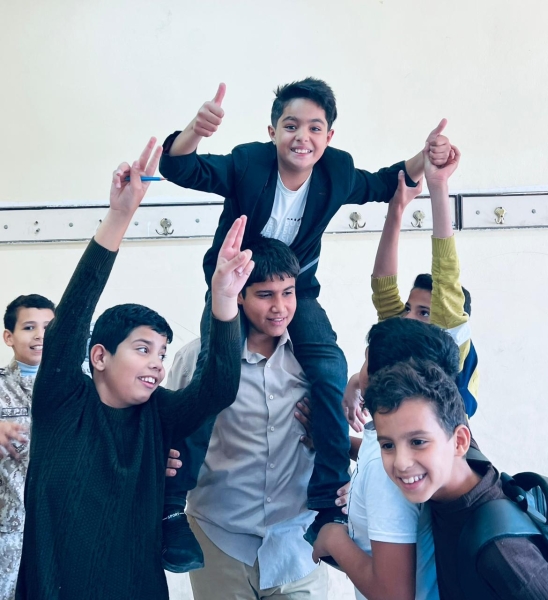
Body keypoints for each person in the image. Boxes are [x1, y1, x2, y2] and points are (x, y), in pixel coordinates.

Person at [159, 77, 452, 567]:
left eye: (315, 128)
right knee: (215, 374)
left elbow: (387, 181)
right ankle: (171, 509)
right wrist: (195, 131)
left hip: (296, 287)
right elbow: (180, 167)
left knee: (330, 369)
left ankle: (326, 506)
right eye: (291, 125)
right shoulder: (249, 163)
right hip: (236, 284)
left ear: (329, 137)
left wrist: (427, 156)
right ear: (272, 131)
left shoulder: (335, 171)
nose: (303, 137)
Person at [15, 138, 252, 600]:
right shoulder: (63, 402)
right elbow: (70, 322)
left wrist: (225, 301)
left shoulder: (159, 414)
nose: (157, 365)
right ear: (100, 357)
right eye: (143, 349)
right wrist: (120, 216)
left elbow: (218, 389)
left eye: (161, 354)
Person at [166, 236, 328, 599]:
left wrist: (326, 436)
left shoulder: (314, 360)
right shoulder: (196, 359)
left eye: (288, 292)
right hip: (219, 540)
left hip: (297, 544)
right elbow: (170, 432)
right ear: (239, 294)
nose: (280, 307)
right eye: (265, 295)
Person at [363, 358, 548, 599]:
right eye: (388, 445)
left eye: (418, 442)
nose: (401, 462)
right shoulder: (459, 464)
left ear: (460, 442)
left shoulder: (501, 555)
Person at [313, 317, 461, 600]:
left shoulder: (393, 477)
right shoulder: (420, 430)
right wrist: (331, 440)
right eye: (388, 446)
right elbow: (373, 452)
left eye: (365, 361)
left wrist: (333, 538)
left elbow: (393, 594)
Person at [344, 144, 478, 434]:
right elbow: (383, 285)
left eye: (424, 312)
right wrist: (397, 207)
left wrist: (438, 185)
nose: (408, 316)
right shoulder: (399, 341)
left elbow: (446, 273)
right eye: (408, 308)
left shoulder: (449, 342)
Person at [0, 294, 55, 600]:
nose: (40, 335)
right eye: (29, 327)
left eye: (48, 327)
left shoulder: (86, 387)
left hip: (61, 528)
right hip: (8, 531)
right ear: (9, 337)